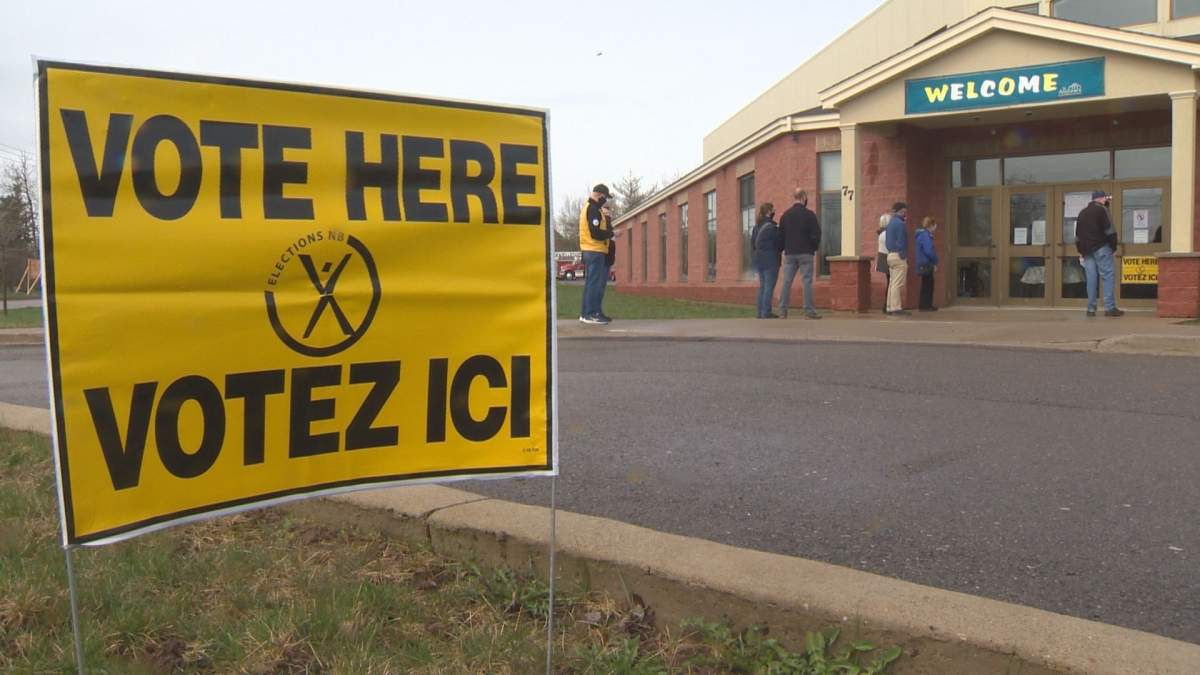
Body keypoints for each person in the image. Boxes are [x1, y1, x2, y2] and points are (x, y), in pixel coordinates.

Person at [1075, 190, 1123, 317]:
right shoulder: (1102, 210)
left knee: (1091, 278)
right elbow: (1110, 230)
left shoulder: (1082, 213)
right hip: (1101, 247)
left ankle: (1091, 309)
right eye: (1105, 199)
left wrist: (1080, 250)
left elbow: (1077, 236)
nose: (1106, 201)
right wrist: (1113, 247)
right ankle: (1109, 308)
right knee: (1107, 276)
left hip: (1086, 250)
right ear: (1101, 199)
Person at [777, 189, 822, 319]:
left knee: (786, 281)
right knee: (807, 281)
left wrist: (784, 248)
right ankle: (809, 311)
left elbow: (781, 236)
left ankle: (782, 311)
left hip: (790, 253)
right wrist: (813, 247)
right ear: (803, 197)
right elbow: (816, 234)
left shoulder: (785, 215)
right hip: (806, 253)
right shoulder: (810, 215)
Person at [578, 184, 616, 324]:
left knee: (591, 284)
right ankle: (591, 314)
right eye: (605, 197)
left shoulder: (590, 208)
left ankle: (586, 313)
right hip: (594, 249)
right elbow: (595, 233)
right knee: (594, 284)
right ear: (599, 194)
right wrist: (611, 234)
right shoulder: (593, 209)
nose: (605, 200)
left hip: (591, 249)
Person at [750, 202, 783, 319]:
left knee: (762, 286)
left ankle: (760, 312)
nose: (775, 211)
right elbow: (779, 244)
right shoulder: (772, 227)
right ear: (769, 212)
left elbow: (753, 244)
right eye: (773, 209)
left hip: (759, 260)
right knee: (769, 286)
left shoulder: (756, 227)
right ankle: (766, 312)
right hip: (771, 261)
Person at [884, 202, 910, 316]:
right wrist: (903, 255)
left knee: (892, 283)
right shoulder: (900, 224)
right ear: (901, 211)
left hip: (890, 255)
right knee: (897, 284)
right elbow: (902, 241)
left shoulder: (890, 223)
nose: (905, 213)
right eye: (904, 211)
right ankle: (896, 308)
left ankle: (890, 307)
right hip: (898, 255)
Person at [914, 217, 940, 312]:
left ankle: (924, 305)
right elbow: (929, 251)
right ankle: (926, 305)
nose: (936, 227)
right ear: (931, 225)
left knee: (926, 284)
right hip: (926, 262)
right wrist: (935, 261)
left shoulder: (921, 235)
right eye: (935, 225)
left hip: (923, 262)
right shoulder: (926, 236)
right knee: (928, 284)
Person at [876, 211, 892, 314]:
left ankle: (887, 305)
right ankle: (887, 305)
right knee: (891, 283)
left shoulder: (881, 233)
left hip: (883, 258)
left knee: (890, 282)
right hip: (887, 257)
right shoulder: (886, 234)